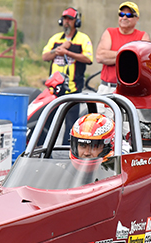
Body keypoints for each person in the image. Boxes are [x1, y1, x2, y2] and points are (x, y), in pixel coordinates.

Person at [42, 7, 94, 143]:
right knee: (48, 122)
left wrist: (67, 52)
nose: (67, 22)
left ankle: (66, 150)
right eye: (65, 18)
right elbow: (45, 56)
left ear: (76, 22)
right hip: (54, 90)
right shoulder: (55, 38)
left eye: (70, 19)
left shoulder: (83, 39)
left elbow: (88, 59)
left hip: (73, 89)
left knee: (71, 125)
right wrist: (57, 51)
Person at [95, 1, 151, 94]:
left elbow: (143, 63)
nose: (124, 17)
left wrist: (112, 56)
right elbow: (100, 56)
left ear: (137, 18)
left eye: (129, 15)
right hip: (107, 88)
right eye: (121, 14)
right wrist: (128, 56)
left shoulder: (143, 36)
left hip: (131, 90)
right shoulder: (109, 32)